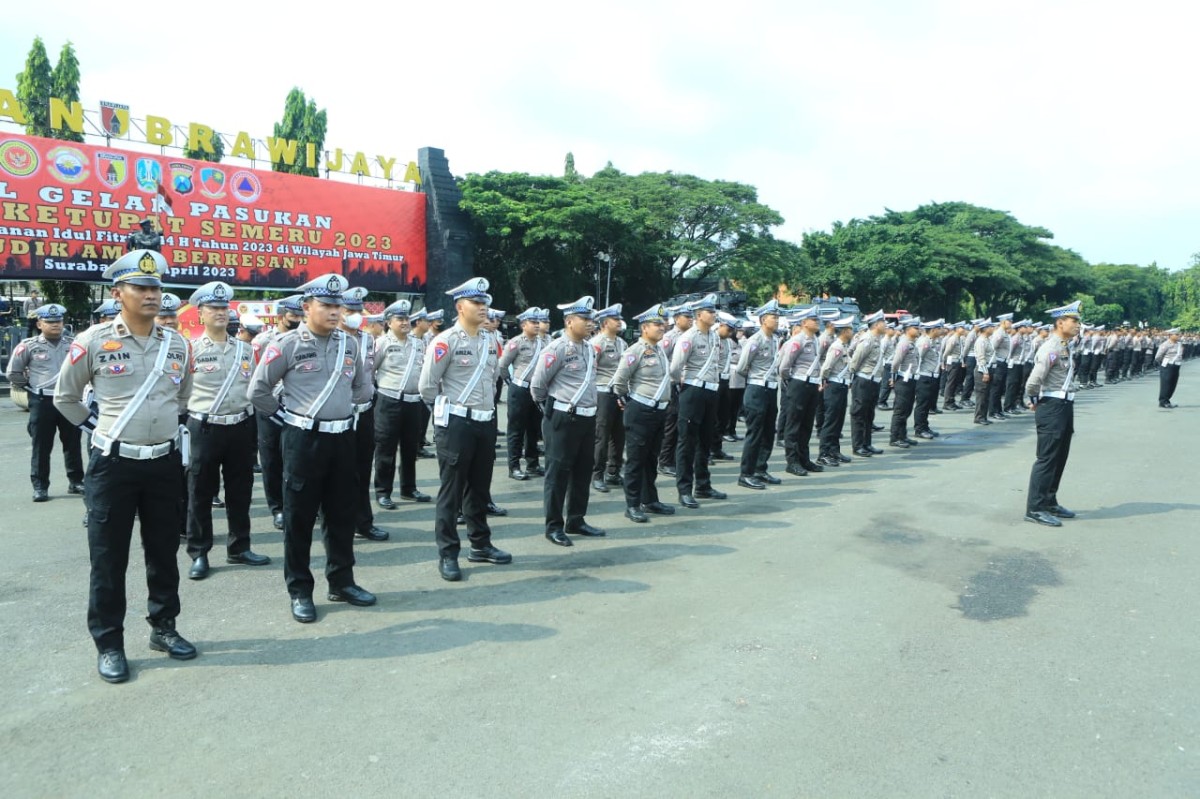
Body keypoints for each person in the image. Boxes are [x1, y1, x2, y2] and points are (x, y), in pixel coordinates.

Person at [54, 249, 197, 684]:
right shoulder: (93, 341)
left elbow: (183, 398)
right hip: (113, 465)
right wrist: (105, 429)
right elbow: (65, 397)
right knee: (108, 559)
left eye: (156, 287)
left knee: (163, 554)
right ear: (119, 293)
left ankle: (164, 628)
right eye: (141, 287)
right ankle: (110, 643)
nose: (152, 295)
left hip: (163, 464)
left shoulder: (178, 343)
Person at [248, 273, 378, 624]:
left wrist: (345, 406)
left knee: (341, 514)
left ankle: (342, 581)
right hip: (303, 440)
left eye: (339, 305)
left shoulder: (349, 344)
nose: (336, 312)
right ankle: (300, 590)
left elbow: (363, 389)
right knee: (299, 518)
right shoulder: (287, 344)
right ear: (306, 307)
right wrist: (288, 422)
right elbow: (259, 391)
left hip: (342, 438)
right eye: (327, 305)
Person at [417, 278, 512, 582]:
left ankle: (481, 545)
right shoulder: (446, 341)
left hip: (486, 421)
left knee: (480, 489)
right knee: (451, 491)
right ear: (460, 307)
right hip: (456, 423)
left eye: (485, 303)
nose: (484, 308)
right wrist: (448, 415)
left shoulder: (489, 341)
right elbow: (427, 387)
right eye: (477, 303)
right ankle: (448, 553)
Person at [182, 281, 270, 580]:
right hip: (204, 427)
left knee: (240, 491)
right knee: (200, 492)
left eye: (224, 308)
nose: (221, 313)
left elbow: (255, 386)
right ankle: (199, 552)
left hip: (240, 426)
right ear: (200, 314)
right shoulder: (190, 349)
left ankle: (239, 547)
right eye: (214, 308)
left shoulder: (245, 350)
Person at [531, 296, 606, 545]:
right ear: (569, 321)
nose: (590, 324)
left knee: (583, 471)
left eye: (591, 319)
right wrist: (554, 410)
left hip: (587, 417)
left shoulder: (588, 348)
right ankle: (553, 526)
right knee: (557, 474)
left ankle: (576, 519)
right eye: (584, 319)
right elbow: (538, 386)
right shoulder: (556, 349)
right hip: (563, 417)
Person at [6, 302, 84, 501]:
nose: (55, 325)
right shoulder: (28, 346)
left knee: (73, 443)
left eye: (58, 321)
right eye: (49, 322)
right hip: (42, 401)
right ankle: (40, 486)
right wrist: (32, 390)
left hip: (69, 400)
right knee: (41, 446)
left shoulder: (73, 344)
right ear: (40, 324)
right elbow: (13, 373)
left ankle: (76, 481)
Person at [610, 303, 675, 521]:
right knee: (636, 460)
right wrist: (628, 401)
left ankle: (650, 500)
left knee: (651, 459)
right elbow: (619, 382)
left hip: (659, 411)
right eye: (656, 324)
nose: (662, 327)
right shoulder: (635, 351)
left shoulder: (659, 350)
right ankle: (633, 504)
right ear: (644, 328)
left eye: (663, 323)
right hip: (641, 410)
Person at [1023, 301, 1083, 527]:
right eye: (1074, 321)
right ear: (1060, 323)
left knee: (1060, 456)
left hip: (1064, 406)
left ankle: (1049, 500)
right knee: (1047, 458)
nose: (1078, 325)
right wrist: (1035, 399)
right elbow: (1033, 381)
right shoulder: (1051, 348)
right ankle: (1035, 508)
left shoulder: (1065, 346)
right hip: (1052, 407)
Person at [338, 287, 390, 541]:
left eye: (358, 310)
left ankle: (363, 522)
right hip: (338, 417)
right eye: (349, 310)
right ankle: (337, 524)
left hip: (365, 412)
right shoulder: (331, 339)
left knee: (362, 470)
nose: (355, 315)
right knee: (336, 473)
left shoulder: (369, 340)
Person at [252, 295, 305, 530]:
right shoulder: (263, 341)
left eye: (300, 315)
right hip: (270, 407)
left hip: (296, 407)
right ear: (281, 316)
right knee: (272, 460)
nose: (297, 320)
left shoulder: (305, 338)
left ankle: (300, 505)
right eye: (293, 316)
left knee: (298, 460)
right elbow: (254, 377)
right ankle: (278, 508)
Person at [670, 294, 727, 508]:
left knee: (706, 440)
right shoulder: (688, 337)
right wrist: (681, 384)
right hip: (693, 390)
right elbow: (675, 367)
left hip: (711, 391)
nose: (714, 315)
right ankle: (684, 490)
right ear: (698, 315)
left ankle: (703, 485)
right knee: (687, 442)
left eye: (714, 311)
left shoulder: (713, 337)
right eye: (710, 312)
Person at [373, 299, 430, 506]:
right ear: (389, 322)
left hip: (413, 402)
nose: (405, 322)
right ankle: (383, 491)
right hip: (389, 401)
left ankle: (409, 488)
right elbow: (370, 372)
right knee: (386, 449)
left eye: (407, 318)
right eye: (400, 319)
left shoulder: (418, 343)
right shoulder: (382, 343)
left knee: (410, 448)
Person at [499, 307, 546, 480]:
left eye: (537, 322)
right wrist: (511, 383)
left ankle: (533, 464)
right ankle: (514, 466)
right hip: (520, 389)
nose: (536, 325)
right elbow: (503, 365)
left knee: (534, 428)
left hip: (536, 390)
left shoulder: (544, 343)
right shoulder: (515, 342)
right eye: (533, 322)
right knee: (516, 429)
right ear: (523, 325)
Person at [779, 307, 824, 476]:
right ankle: (792, 461)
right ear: (804, 323)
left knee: (806, 424)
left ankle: (804, 459)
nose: (817, 322)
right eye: (814, 320)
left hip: (812, 385)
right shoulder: (797, 341)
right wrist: (792, 382)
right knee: (794, 424)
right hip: (798, 383)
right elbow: (784, 367)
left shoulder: (816, 340)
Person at [589, 303, 626, 492]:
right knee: (601, 436)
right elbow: (590, 371)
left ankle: (613, 471)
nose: (619, 322)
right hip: (603, 393)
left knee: (619, 435)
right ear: (604, 323)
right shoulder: (597, 343)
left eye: (619, 319)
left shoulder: (621, 343)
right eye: (615, 319)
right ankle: (597, 474)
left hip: (619, 393)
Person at [817, 316, 856, 467]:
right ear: (845, 331)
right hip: (833, 386)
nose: (852, 332)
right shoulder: (837, 347)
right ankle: (824, 453)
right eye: (850, 329)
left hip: (841, 386)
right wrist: (823, 381)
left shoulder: (844, 346)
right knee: (831, 421)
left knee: (838, 420)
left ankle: (834, 450)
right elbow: (826, 367)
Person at [848, 310, 888, 457]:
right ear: (876, 325)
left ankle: (867, 443)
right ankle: (858, 446)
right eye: (883, 323)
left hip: (874, 381)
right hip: (863, 381)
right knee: (859, 414)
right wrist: (853, 377)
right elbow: (855, 360)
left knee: (869, 414)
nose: (886, 325)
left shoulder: (877, 339)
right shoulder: (868, 339)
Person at [972, 319, 997, 425]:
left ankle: (983, 416)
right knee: (981, 395)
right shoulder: (981, 341)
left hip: (988, 369)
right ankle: (979, 417)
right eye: (991, 327)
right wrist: (985, 372)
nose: (993, 329)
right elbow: (981, 357)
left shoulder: (987, 339)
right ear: (985, 329)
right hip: (982, 370)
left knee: (986, 395)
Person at [1155, 328, 1184, 408]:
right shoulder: (1165, 344)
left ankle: (1167, 400)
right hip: (1167, 366)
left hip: (1176, 366)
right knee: (1166, 384)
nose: (1178, 336)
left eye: (1178, 334)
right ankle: (1163, 401)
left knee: (1172, 384)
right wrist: (1164, 363)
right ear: (1170, 335)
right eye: (1176, 334)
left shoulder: (1179, 344)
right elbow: (1158, 357)